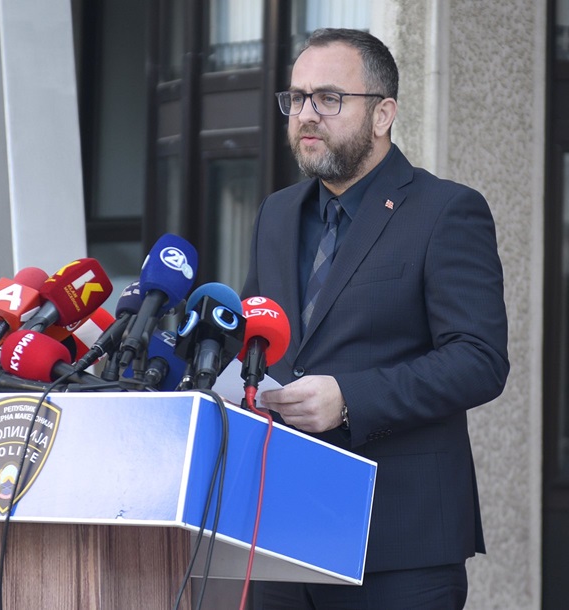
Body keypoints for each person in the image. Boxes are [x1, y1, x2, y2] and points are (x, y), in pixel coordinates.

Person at [241, 28, 509, 609]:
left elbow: (479, 360)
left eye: (328, 98)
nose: (306, 115)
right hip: (281, 532)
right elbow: (255, 336)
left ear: (383, 114)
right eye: (297, 98)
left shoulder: (446, 211)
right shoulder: (276, 214)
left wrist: (350, 399)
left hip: (399, 545)